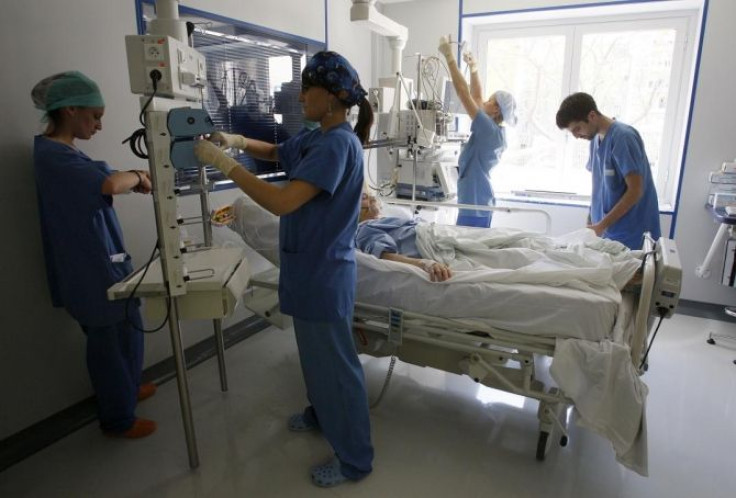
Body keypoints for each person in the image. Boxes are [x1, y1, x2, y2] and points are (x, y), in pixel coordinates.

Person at [194, 51, 374, 488]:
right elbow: (277, 151)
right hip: (307, 269)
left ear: (331, 98)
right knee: (315, 361)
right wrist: (234, 140)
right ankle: (320, 413)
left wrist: (225, 165)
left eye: (307, 88)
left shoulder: (338, 145)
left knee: (337, 368)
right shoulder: (317, 137)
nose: (299, 95)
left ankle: (355, 459)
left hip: (324, 275)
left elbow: (281, 202)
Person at [31, 71, 157, 439]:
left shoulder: (69, 152)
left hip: (107, 260)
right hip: (87, 268)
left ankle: (129, 388)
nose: (100, 124)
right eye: (95, 116)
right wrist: (135, 172)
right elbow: (108, 183)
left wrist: (126, 175)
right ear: (70, 109)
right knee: (107, 344)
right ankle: (118, 419)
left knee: (128, 326)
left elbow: (101, 179)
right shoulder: (51, 156)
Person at [555, 92, 661, 250]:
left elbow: (636, 190)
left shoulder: (623, 137)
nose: (576, 136)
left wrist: (601, 225)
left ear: (591, 116)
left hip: (631, 235)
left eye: (577, 129)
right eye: (572, 132)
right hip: (606, 233)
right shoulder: (595, 140)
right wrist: (591, 224)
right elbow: (598, 189)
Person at [438, 35, 518, 228]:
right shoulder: (494, 130)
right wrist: (474, 69)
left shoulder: (488, 129)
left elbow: (464, 94)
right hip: (480, 201)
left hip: (474, 203)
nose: (484, 103)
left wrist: (449, 57)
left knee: (467, 250)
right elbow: (476, 96)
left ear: (497, 109)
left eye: (490, 101)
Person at [357, 193, 452, 282]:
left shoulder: (383, 220)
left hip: (437, 234)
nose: (371, 197)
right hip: (431, 245)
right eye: (364, 197)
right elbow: (384, 255)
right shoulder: (364, 228)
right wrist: (426, 264)